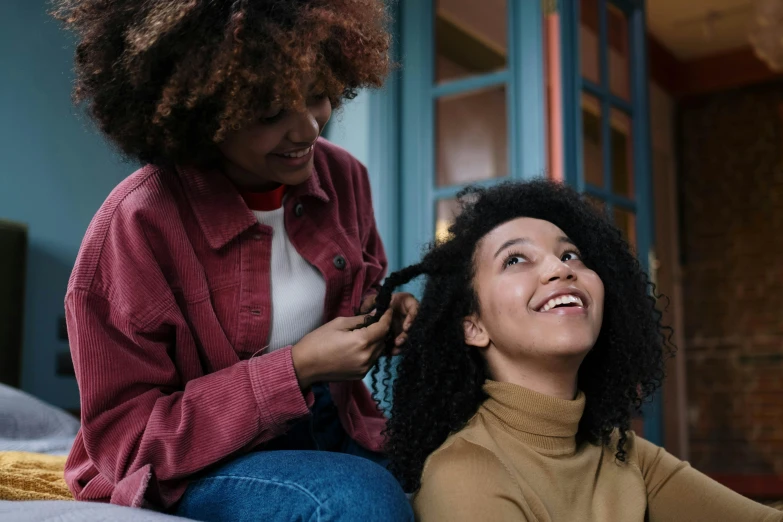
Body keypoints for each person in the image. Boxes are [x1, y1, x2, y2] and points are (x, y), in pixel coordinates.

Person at [51, 1, 416, 520]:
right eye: (269, 113)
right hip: (201, 461)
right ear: (202, 111)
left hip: (334, 423)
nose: (308, 129)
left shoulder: (343, 178)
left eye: (317, 94)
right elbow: (125, 444)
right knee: (358, 501)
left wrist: (384, 312)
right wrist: (297, 369)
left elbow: (361, 286)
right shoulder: (136, 225)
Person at [365, 180, 783, 521]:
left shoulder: (621, 451)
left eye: (570, 254)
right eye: (515, 260)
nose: (559, 268)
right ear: (473, 327)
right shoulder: (465, 475)